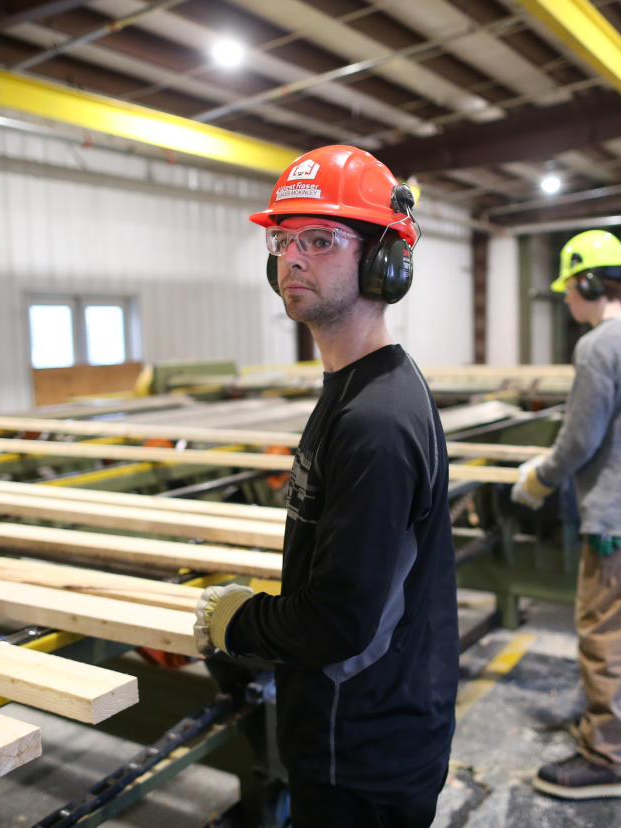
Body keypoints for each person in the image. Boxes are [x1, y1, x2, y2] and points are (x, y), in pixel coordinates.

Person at [193, 145, 458, 827]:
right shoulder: (353, 390)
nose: (293, 258)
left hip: (363, 753)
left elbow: (341, 620)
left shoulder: (378, 418)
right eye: (284, 240)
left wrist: (241, 621)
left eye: (321, 239)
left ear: (384, 262)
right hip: (352, 732)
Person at [512, 229, 621, 800]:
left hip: (613, 518)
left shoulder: (597, 347)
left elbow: (579, 439)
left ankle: (604, 758)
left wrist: (538, 480)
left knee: (600, 633)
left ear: (588, 282)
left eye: (568, 287)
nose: (565, 299)